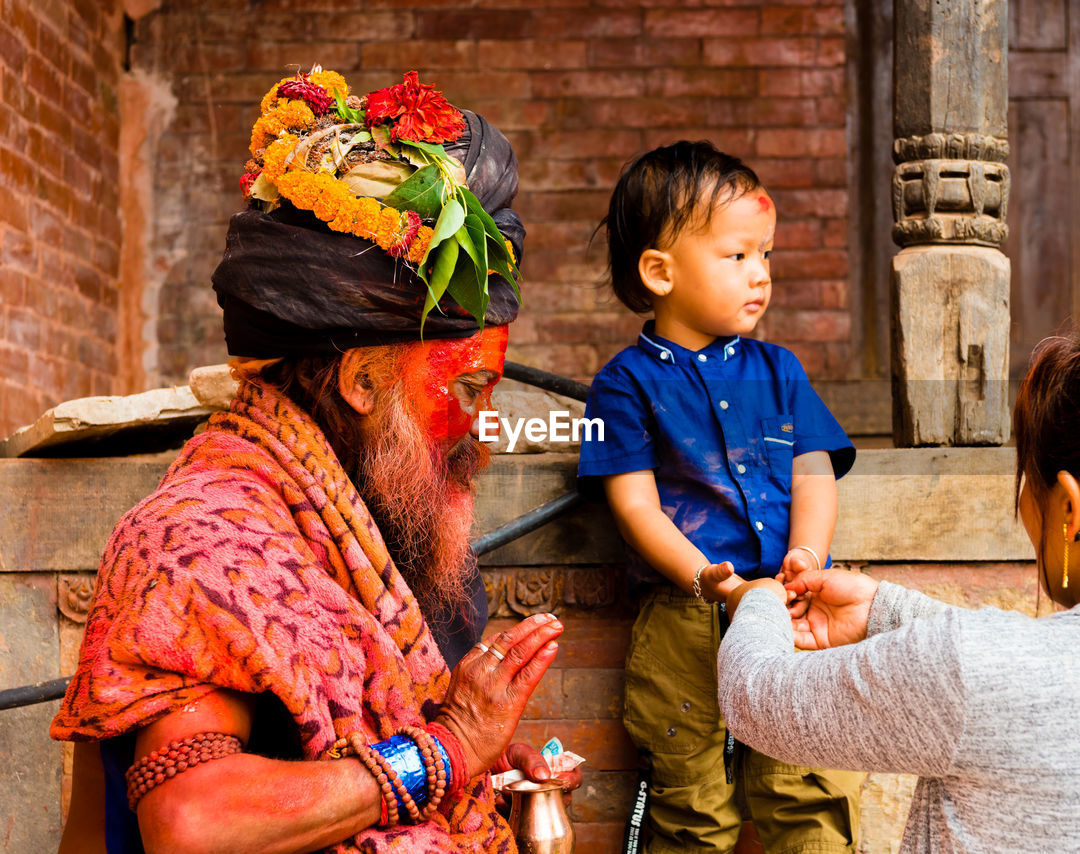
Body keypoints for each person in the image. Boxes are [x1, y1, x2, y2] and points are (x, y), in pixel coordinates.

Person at [51, 67, 579, 854]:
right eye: (467, 388)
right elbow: (191, 824)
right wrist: (445, 753)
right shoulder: (201, 539)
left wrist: (483, 765)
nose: (485, 425)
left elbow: (377, 727)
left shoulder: (378, 513)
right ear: (363, 380)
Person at [719, 314, 1080, 852]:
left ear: (1070, 507)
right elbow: (1020, 667)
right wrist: (890, 611)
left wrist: (760, 601)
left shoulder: (971, 672)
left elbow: (756, 697)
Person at [577, 140, 863, 853]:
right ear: (660, 271)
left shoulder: (780, 370)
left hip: (791, 605)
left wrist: (806, 555)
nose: (760, 275)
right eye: (737, 257)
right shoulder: (624, 385)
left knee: (807, 783)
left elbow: (813, 472)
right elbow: (637, 507)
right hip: (686, 616)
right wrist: (709, 579)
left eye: (766, 255)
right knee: (691, 801)